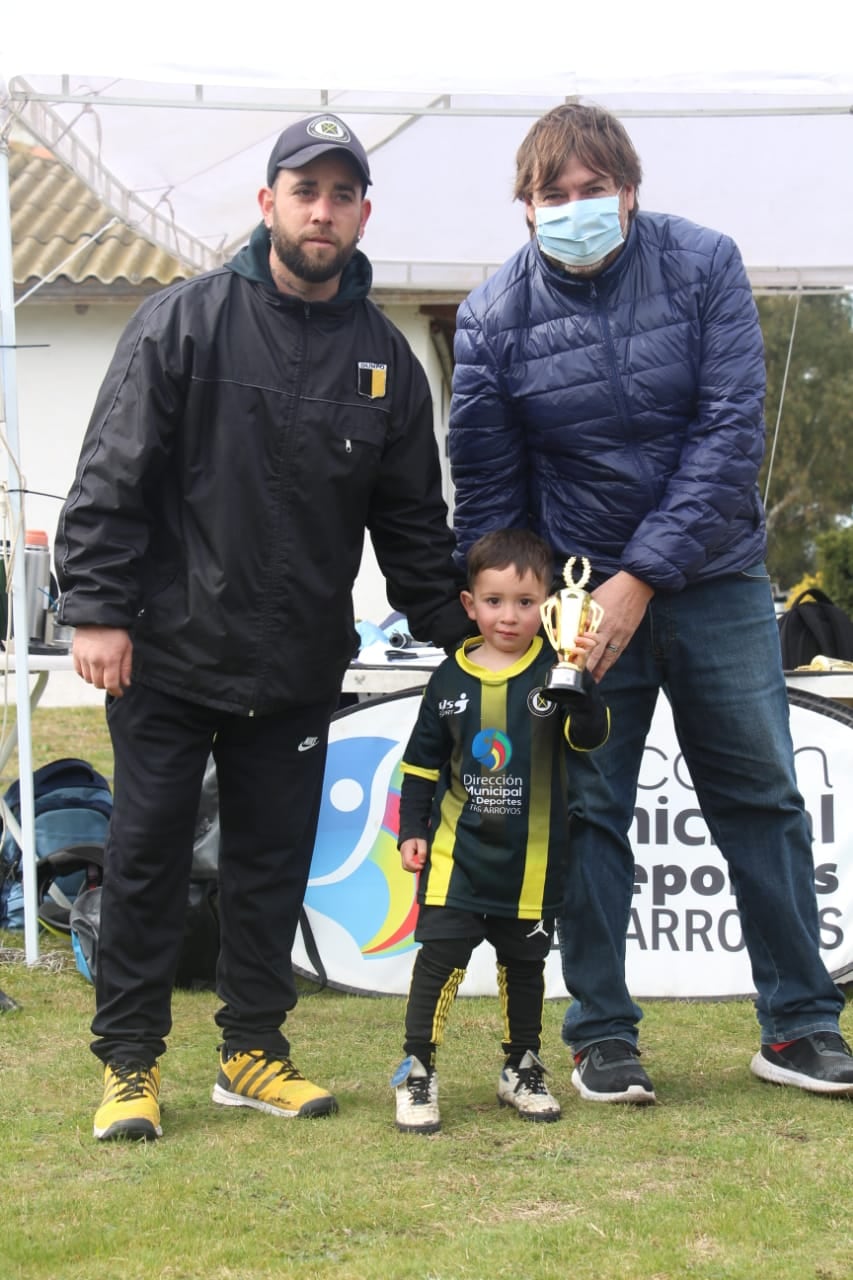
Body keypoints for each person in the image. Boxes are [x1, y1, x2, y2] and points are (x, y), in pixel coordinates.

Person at [54, 112, 471, 1142]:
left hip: (293, 665)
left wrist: (470, 631)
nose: (321, 211)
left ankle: (252, 1050)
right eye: (304, 190)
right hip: (165, 652)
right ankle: (131, 1062)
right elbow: (110, 474)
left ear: (362, 212)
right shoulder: (182, 321)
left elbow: (414, 524)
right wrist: (97, 608)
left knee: (270, 862)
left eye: (340, 194)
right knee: (146, 858)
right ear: (268, 203)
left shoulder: (384, 360)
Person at [448, 102, 853, 1104]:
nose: (576, 209)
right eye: (555, 196)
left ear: (628, 191)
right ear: (526, 206)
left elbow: (727, 434)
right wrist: (525, 612)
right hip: (577, 605)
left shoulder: (705, 262)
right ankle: (599, 1033)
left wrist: (642, 575)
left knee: (760, 796)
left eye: (594, 191)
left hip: (713, 580)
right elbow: (492, 490)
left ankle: (799, 1026)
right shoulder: (491, 316)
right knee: (586, 812)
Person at [391, 529, 609, 1133]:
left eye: (523, 603)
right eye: (493, 601)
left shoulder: (558, 668)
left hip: (533, 861)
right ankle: (417, 1069)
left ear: (549, 607)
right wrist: (412, 828)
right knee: (439, 961)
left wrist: (582, 680)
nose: (508, 616)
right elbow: (419, 768)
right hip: (455, 858)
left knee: (525, 967)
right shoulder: (448, 680)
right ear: (470, 605)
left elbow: (589, 738)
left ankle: (521, 1065)